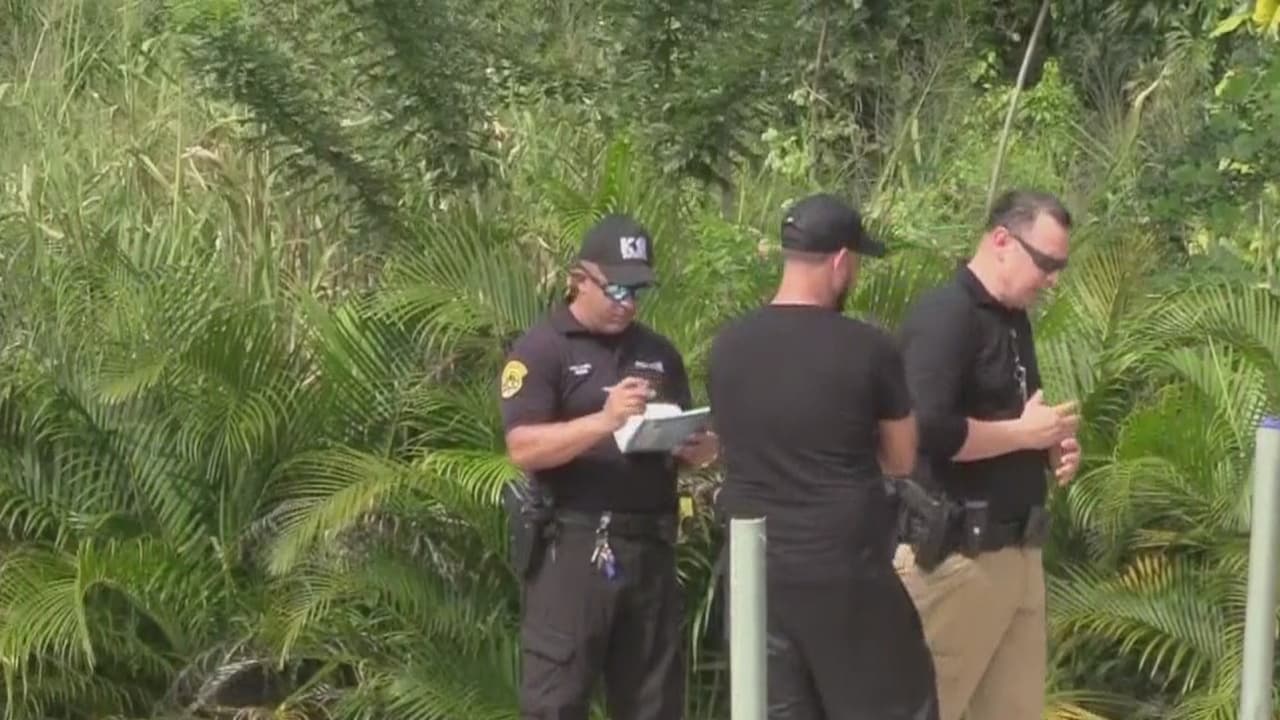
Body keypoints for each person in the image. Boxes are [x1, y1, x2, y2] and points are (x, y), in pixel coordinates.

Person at [707, 192, 940, 720]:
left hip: (755, 576)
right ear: (840, 261)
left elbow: (732, 441)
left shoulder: (728, 346)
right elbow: (902, 458)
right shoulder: (867, 348)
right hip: (845, 572)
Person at [499, 213, 719, 720]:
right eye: (616, 289)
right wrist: (604, 420)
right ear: (579, 279)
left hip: (649, 547)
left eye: (637, 291)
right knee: (557, 699)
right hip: (573, 545)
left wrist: (698, 449)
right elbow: (523, 447)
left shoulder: (658, 354)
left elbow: (688, 443)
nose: (628, 303)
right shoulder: (542, 349)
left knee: (654, 701)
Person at [892, 189, 1082, 720]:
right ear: (1002, 240)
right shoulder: (946, 315)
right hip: (957, 556)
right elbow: (927, 429)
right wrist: (1023, 435)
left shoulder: (1013, 320)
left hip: (1019, 553)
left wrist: (1051, 445)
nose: (1051, 280)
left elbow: (1017, 417)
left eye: (1060, 267)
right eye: (1045, 263)